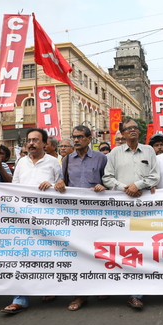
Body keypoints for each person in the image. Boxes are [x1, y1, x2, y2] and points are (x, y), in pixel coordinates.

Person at [1, 128, 64, 315]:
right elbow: (14, 187)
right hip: (23, 218)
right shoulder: (21, 162)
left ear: (44, 143)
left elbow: (61, 187)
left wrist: (53, 185)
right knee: (22, 256)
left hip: (46, 217)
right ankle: (20, 298)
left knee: (45, 255)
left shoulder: (54, 162)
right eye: (29, 140)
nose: (31, 143)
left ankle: (48, 289)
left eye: (36, 140)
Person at [102, 118, 159, 310]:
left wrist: (138, 185)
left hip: (145, 209)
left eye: (135, 128)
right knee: (122, 247)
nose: (133, 130)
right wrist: (126, 188)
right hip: (121, 209)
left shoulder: (149, 151)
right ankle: (118, 286)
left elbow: (155, 175)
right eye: (129, 129)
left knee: (144, 247)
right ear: (123, 134)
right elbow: (107, 177)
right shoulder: (115, 153)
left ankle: (137, 292)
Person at [54, 126, 107, 311]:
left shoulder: (101, 158)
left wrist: (103, 187)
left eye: (80, 137)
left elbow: (108, 181)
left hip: (97, 214)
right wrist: (59, 183)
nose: (76, 140)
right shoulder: (67, 160)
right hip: (75, 216)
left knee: (99, 250)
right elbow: (63, 181)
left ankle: (102, 286)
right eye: (74, 137)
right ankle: (80, 295)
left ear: (89, 138)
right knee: (78, 253)